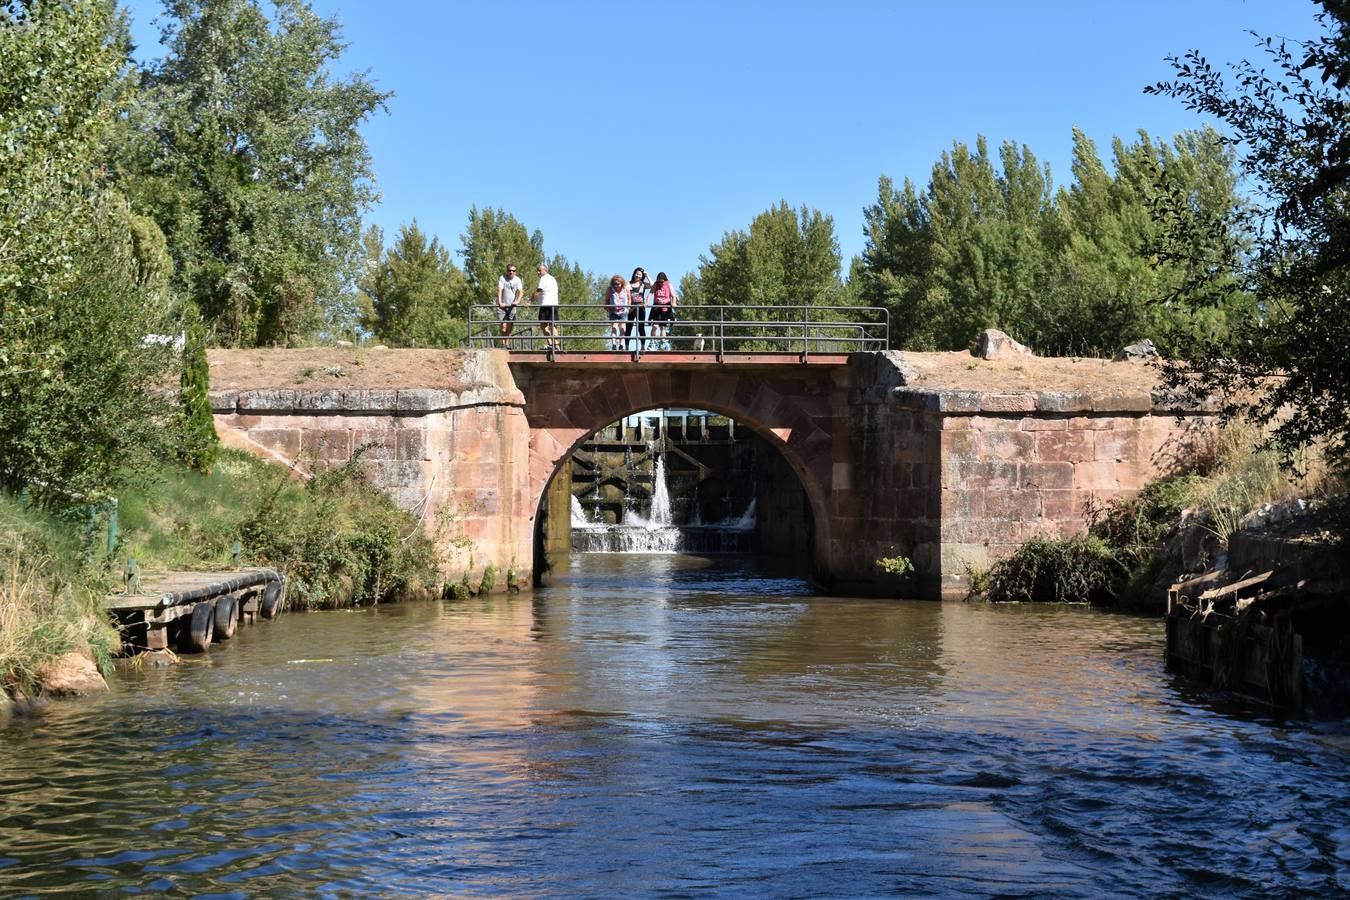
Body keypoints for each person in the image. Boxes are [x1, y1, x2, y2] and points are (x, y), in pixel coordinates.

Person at [496, 263, 523, 348]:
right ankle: (503, 343)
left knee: (510, 325)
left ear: (515, 272)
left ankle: (507, 343)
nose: (511, 272)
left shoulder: (518, 280)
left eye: (513, 271)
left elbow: (521, 292)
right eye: (509, 270)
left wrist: (517, 301)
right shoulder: (502, 278)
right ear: (507, 271)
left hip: (512, 306)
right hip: (502, 305)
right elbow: (499, 290)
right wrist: (500, 302)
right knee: (503, 326)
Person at [648, 271, 678, 350]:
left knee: (663, 327)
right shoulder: (656, 284)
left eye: (661, 282)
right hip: (657, 308)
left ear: (665, 280)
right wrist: (646, 302)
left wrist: (674, 303)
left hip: (665, 308)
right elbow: (651, 293)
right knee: (654, 326)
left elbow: (673, 295)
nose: (660, 283)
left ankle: (662, 343)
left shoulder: (668, 284)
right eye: (659, 282)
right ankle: (651, 342)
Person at [534, 263, 560, 351]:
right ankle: (555, 345)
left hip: (545, 305)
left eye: (539, 270)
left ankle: (553, 344)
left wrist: (529, 301)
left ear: (546, 270)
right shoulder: (552, 279)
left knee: (545, 325)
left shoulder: (543, 278)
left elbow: (538, 291)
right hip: (554, 305)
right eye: (537, 271)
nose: (538, 272)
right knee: (552, 325)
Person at [625, 266, 650, 351]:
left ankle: (643, 346)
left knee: (641, 327)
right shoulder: (628, 283)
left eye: (640, 275)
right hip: (631, 308)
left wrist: (647, 276)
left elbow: (653, 285)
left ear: (642, 276)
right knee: (629, 327)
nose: (638, 276)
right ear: (634, 274)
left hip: (641, 308)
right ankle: (626, 346)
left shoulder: (643, 284)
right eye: (637, 274)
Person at [603, 275, 629, 350]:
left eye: (618, 284)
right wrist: (608, 308)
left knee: (622, 328)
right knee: (614, 327)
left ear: (622, 283)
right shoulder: (610, 289)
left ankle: (621, 345)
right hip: (613, 311)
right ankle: (614, 344)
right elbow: (606, 300)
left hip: (623, 312)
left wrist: (628, 308)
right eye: (614, 284)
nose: (616, 286)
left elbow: (629, 299)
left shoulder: (625, 289)